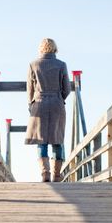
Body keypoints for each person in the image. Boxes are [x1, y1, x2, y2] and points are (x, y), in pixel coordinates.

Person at [25, 38, 71, 182]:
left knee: (41, 139)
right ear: (54, 49)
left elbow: (30, 89)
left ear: (41, 48)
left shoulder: (33, 65)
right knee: (57, 139)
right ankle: (57, 175)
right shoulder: (61, 65)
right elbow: (67, 89)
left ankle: (45, 174)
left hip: (39, 104)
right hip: (57, 104)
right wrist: (59, 97)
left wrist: (31, 103)